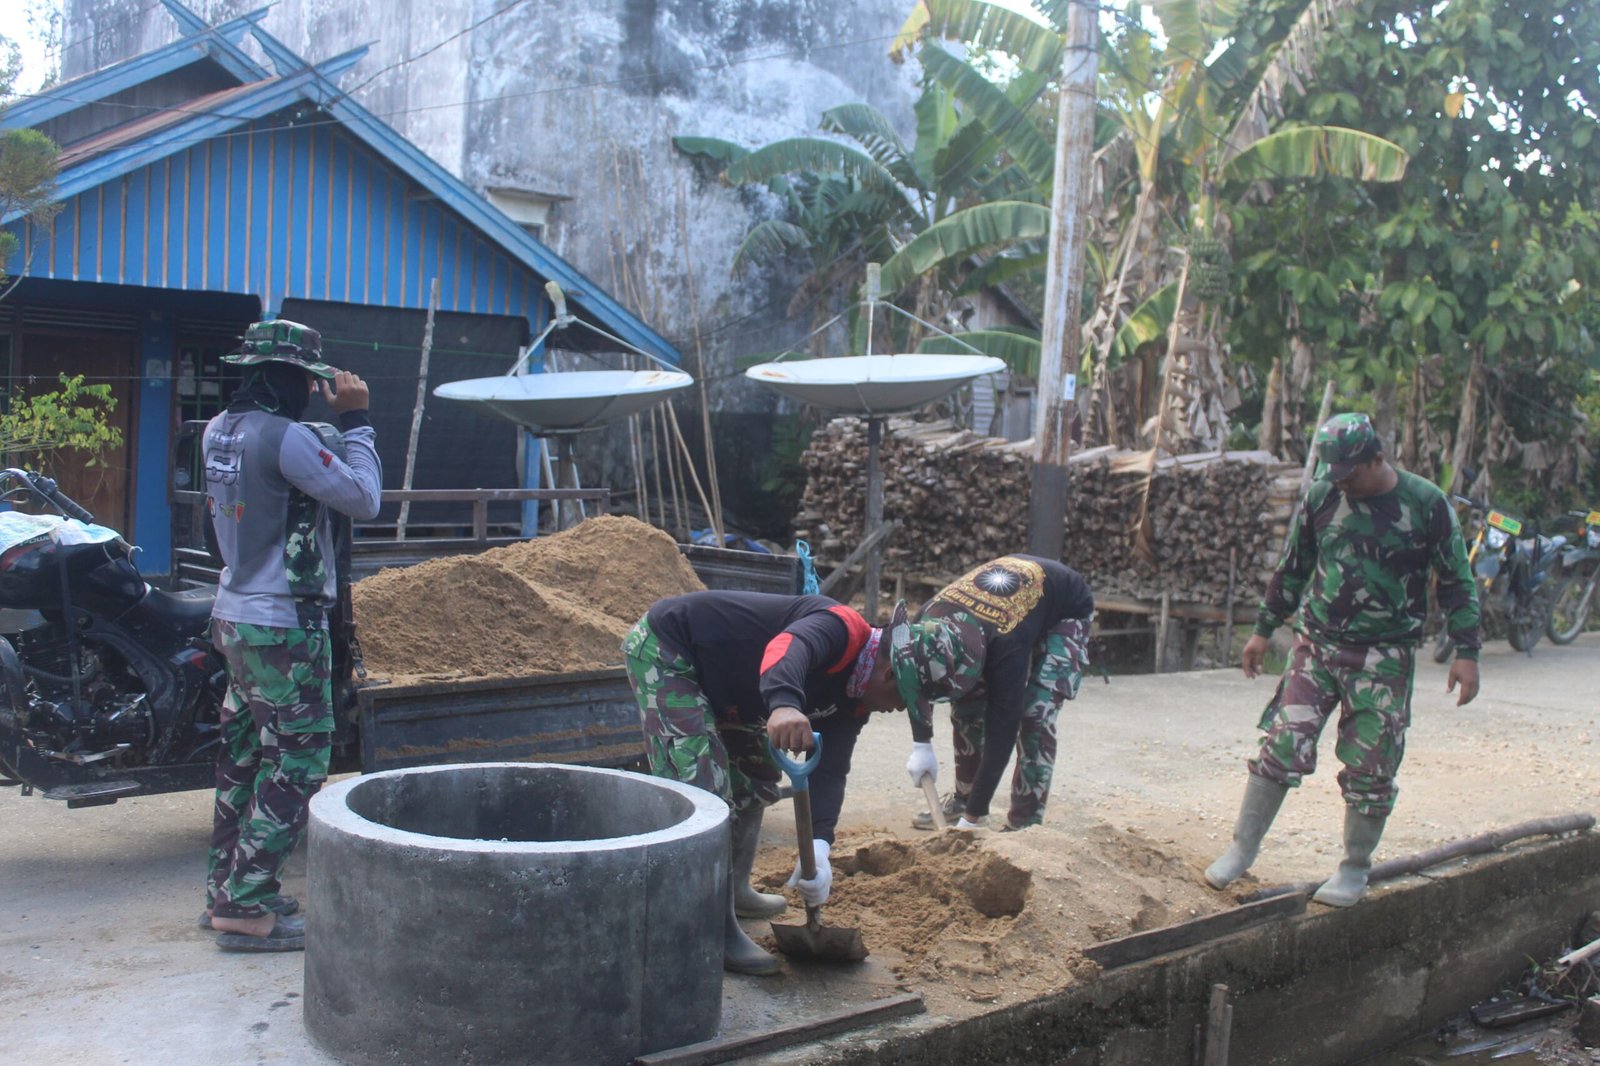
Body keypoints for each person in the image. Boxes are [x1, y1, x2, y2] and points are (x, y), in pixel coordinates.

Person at [1203, 412, 1481, 906]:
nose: (1343, 484)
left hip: (1384, 655)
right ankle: (1242, 849)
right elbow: (1294, 566)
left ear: (1377, 458)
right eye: (1335, 474)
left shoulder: (1426, 503)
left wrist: (1467, 651)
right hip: (1317, 645)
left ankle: (1353, 868)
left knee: (1372, 766)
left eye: (1350, 474)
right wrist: (1263, 629)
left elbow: (1457, 580)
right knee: (1281, 745)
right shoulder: (1323, 495)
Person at [200, 319, 383, 951]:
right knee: (300, 760)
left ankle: (226, 888)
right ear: (296, 379)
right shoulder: (287, 438)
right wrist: (356, 422)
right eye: (309, 380)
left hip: (233, 615)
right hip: (282, 624)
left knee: (244, 756)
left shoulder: (219, 429)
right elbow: (364, 499)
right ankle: (246, 907)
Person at [623, 590, 917, 975]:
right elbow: (787, 647)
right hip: (672, 651)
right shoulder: (841, 628)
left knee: (756, 776)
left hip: (732, 683)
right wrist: (785, 704)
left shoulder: (855, 698)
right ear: (889, 673)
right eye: (903, 699)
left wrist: (820, 845)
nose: (899, 709)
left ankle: (735, 891)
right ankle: (711, 929)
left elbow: (830, 770)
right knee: (703, 795)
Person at [890, 555, 1095, 832]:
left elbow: (1003, 731)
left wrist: (971, 820)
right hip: (1005, 611)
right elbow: (916, 683)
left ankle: (1024, 824)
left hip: (1066, 609)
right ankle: (964, 799)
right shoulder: (924, 624)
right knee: (966, 706)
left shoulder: (1006, 643)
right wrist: (921, 743)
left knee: (1035, 714)